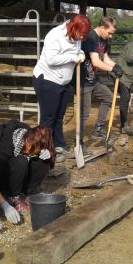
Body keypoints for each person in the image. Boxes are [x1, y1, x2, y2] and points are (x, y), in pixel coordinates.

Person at [33, 14, 90, 162]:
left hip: (63, 82)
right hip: (47, 80)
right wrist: (73, 58)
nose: (81, 39)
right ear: (73, 27)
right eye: (80, 34)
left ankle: (59, 146)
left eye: (84, 36)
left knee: (59, 117)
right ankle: (44, 151)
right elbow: (51, 60)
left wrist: (81, 54)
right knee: (48, 119)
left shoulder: (76, 37)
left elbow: (77, 51)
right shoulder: (55, 36)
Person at [0, 120, 55, 219]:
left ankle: (27, 193)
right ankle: (14, 196)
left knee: (43, 161)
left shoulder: (31, 136)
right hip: (3, 179)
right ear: (28, 139)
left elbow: (44, 152)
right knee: (21, 160)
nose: (33, 152)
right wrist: (4, 205)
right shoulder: (2, 145)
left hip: (19, 174)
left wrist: (50, 154)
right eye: (34, 148)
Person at [80, 16, 123, 144]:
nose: (110, 37)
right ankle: (80, 141)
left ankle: (97, 129)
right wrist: (111, 69)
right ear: (102, 27)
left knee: (109, 98)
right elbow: (95, 61)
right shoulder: (91, 37)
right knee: (85, 112)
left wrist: (115, 65)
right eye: (109, 33)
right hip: (83, 80)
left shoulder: (104, 39)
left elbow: (105, 57)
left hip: (93, 79)